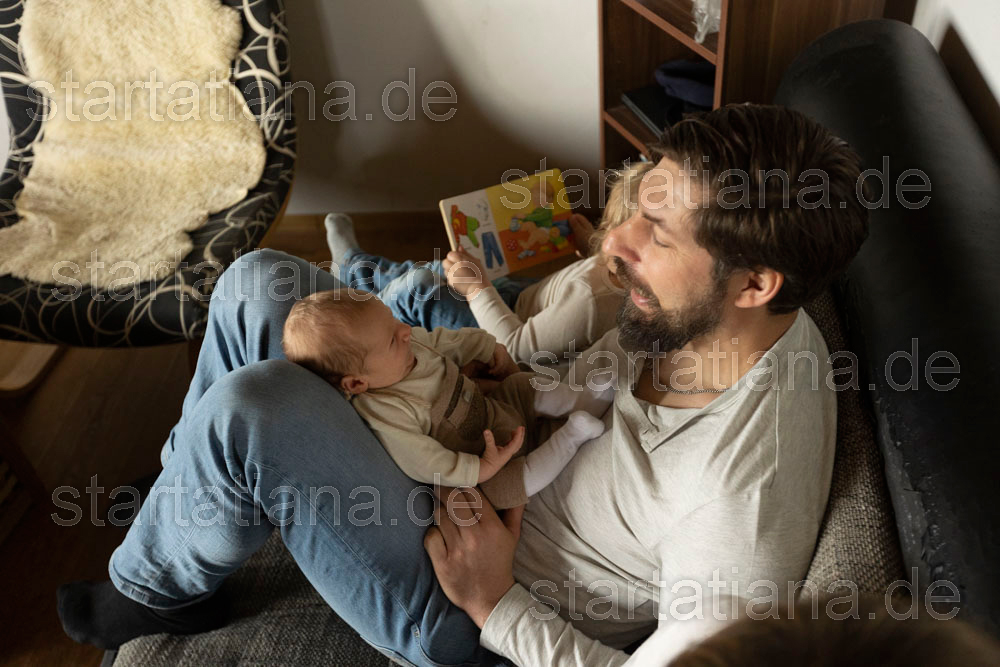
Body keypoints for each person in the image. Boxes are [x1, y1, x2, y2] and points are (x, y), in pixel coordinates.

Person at [57, 104, 870, 667]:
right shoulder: (696, 310)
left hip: (463, 591)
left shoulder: (742, 502)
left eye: (655, 232)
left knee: (253, 411)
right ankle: (187, 497)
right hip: (477, 441)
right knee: (257, 283)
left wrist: (495, 603)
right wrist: (516, 374)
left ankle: (156, 592)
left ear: (755, 284)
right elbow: (584, 383)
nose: (614, 244)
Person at [281, 289, 608, 508]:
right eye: (392, 340)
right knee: (507, 490)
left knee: (522, 384)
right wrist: (480, 468)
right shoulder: (386, 411)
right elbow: (424, 460)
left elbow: (449, 340)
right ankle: (571, 436)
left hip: (494, 408)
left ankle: (579, 399)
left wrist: (487, 347)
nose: (405, 330)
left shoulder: (410, 343)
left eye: (394, 319)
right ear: (356, 382)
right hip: (485, 456)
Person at [326, 163, 654, 370]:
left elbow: (517, 352)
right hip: (522, 301)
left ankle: (355, 312)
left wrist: (477, 289)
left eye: (609, 230)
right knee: (445, 268)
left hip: (500, 339)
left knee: (419, 289)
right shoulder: (627, 274)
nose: (606, 238)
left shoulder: (590, 302)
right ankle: (357, 268)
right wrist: (590, 249)